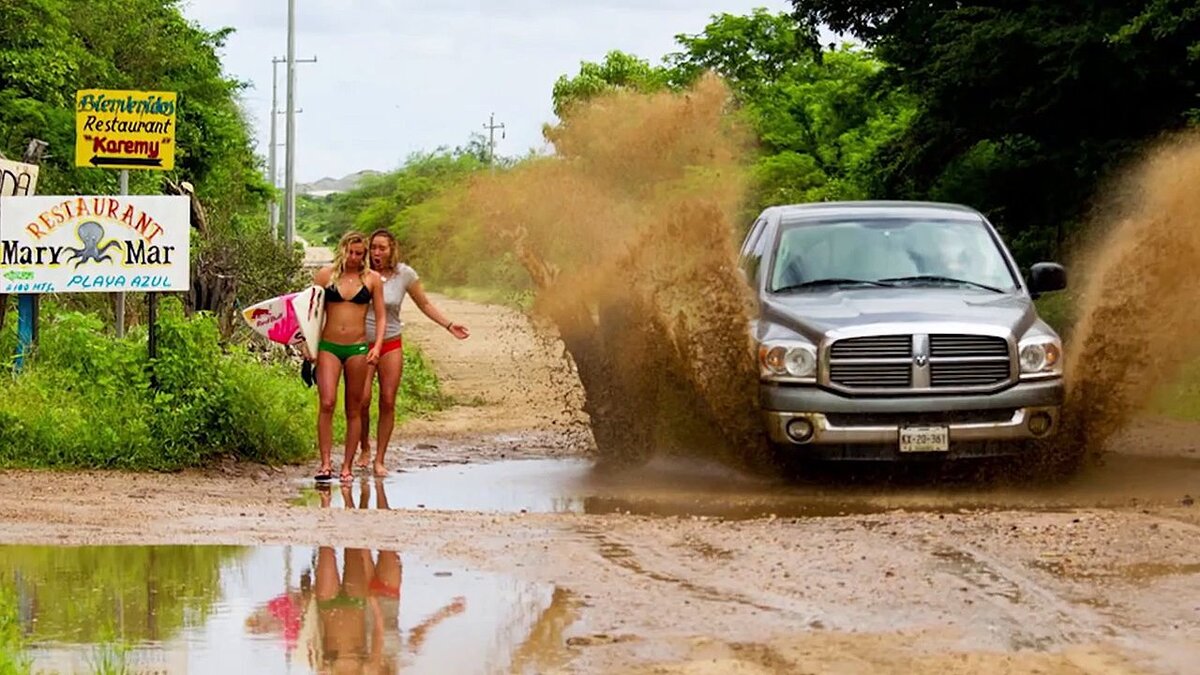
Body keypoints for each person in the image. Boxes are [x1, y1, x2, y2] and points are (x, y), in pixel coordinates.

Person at [357, 229, 469, 476]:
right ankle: (364, 445)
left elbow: (425, 303)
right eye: (373, 247)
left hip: (390, 342)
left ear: (392, 249)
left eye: (382, 248)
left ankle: (379, 459)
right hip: (362, 343)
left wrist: (449, 325)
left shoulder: (404, 274)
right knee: (362, 400)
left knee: (388, 399)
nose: (377, 253)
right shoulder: (360, 273)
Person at [311, 231, 387, 483]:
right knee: (327, 402)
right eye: (350, 252)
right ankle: (324, 464)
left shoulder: (372, 279)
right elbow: (310, 312)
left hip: (357, 348)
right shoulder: (325, 276)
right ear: (342, 249)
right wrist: (307, 346)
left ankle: (347, 466)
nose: (353, 258)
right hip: (329, 346)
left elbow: (381, 316)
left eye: (359, 253)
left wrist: (376, 346)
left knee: (354, 408)